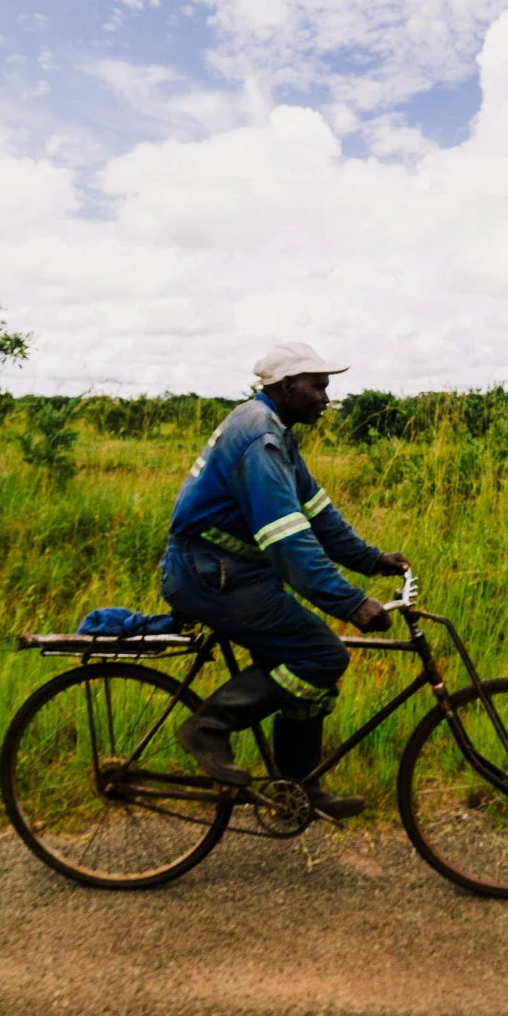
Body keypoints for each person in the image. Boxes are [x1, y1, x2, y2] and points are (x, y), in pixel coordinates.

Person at [159, 341, 408, 819]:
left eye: (327, 387)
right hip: (211, 575)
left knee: (310, 672)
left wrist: (372, 560)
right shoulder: (260, 438)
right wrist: (352, 604)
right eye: (317, 386)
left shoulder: (275, 431)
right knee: (321, 655)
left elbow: (317, 514)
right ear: (286, 386)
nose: (326, 397)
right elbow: (288, 541)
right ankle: (207, 728)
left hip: (230, 573)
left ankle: (298, 789)